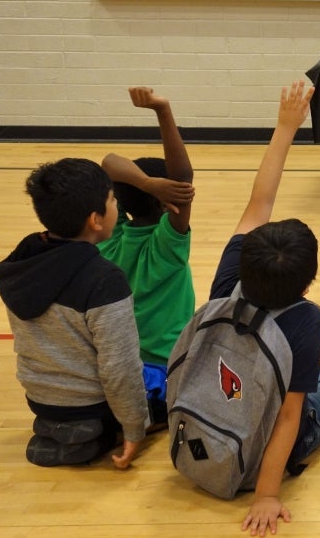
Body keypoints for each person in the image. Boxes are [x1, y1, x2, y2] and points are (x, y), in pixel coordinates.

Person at [205, 82, 320, 536]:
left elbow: (259, 201)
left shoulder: (228, 278)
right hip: (262, 449)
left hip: (214, 417)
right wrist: (266, 494)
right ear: (309, 281)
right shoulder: (304, 319)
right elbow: (289, 414)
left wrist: (285, 128)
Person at [0, 158, 148, 468]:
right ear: (96, 220)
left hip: (39, 397)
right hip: (89, 404)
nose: (117, 205)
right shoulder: (104, 280)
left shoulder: (22, 260)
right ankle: (93, 436)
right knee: (166, 393)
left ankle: (59, 428)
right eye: (113, 200)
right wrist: (134, 428)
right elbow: (120, 367)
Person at [99, 87, 196, 424]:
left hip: (123, 364)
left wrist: (144, 182)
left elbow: (108, 162)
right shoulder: (167, 246)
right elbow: (183, 178)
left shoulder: (109, 241)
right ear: (167, 204)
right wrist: (162, 110)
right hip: (171, 364)